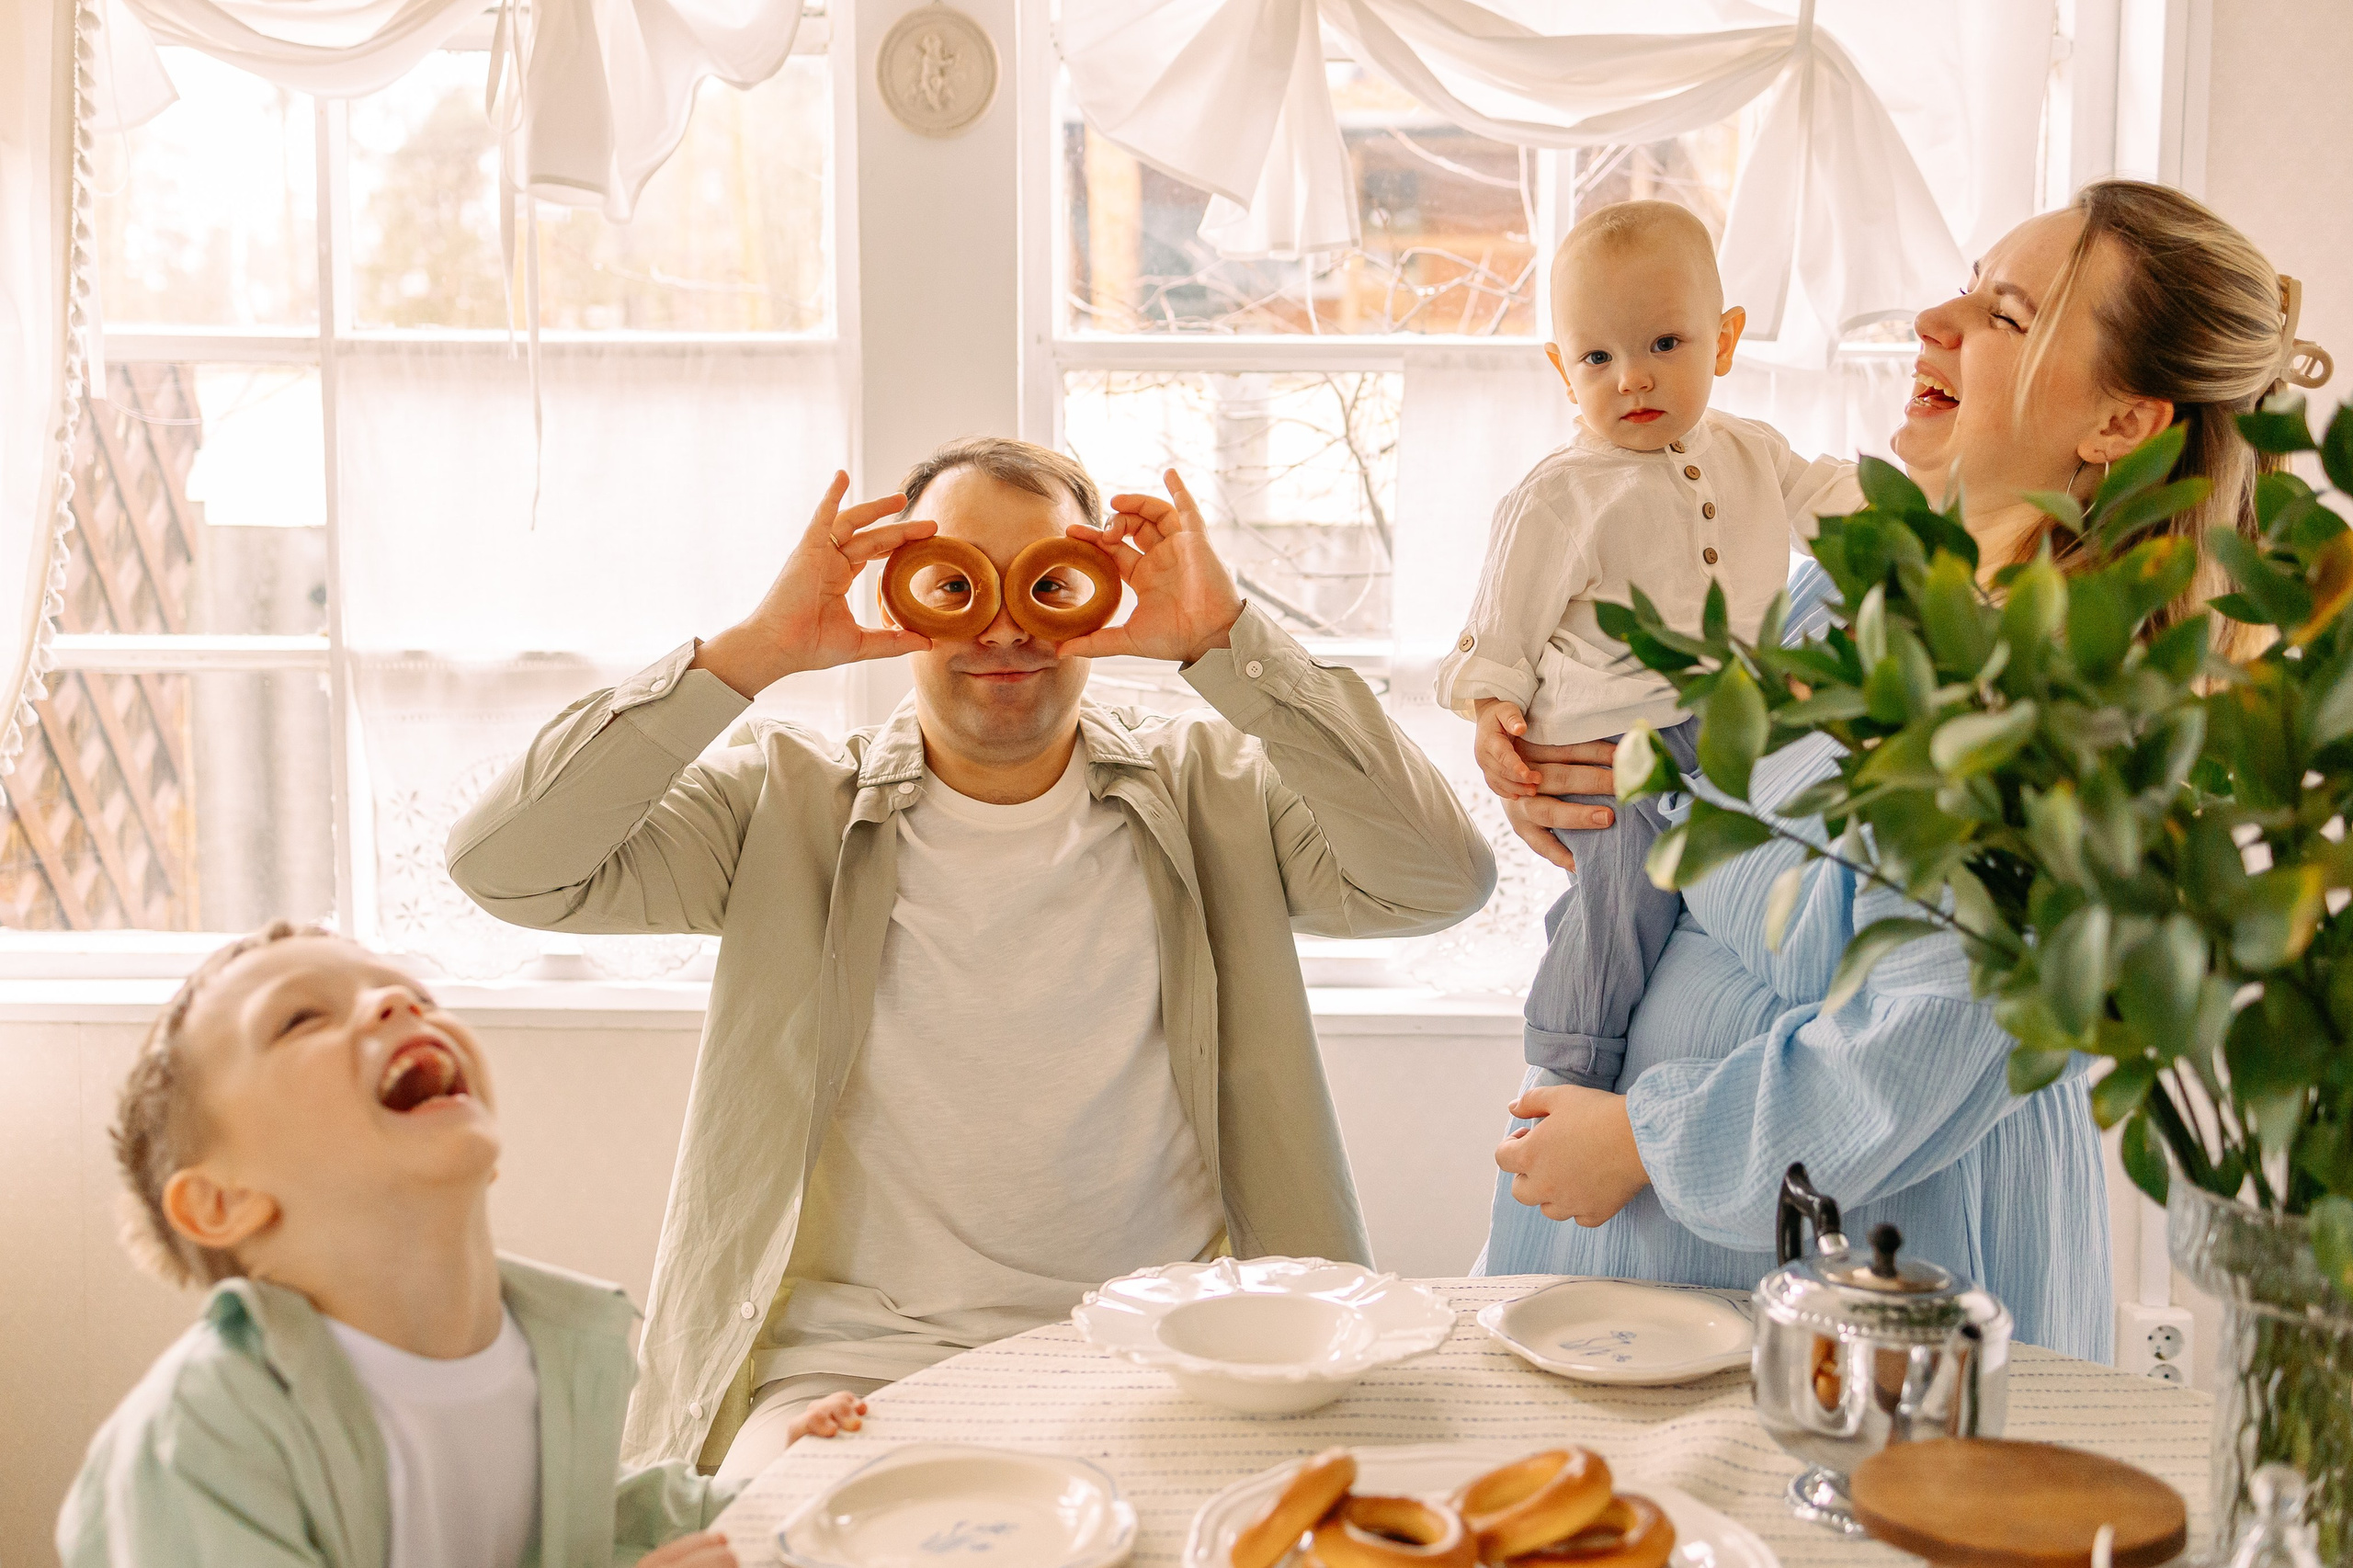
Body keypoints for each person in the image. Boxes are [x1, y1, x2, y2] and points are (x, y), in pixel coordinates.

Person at [445, 437, 1494, 1479]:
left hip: (1170, 1351)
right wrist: (752, 652)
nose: (1003, 624)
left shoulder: (1211, 791)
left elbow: (1436, 878)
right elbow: (509, 865)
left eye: (1048, 584)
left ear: (1098, 592)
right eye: (953, 582)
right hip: (848, 1373)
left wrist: (1229, 642)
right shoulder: (783, 804)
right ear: (900, 599)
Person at [1479, 180, 2326, 1362]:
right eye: (1968, 285)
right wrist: (1580, 771)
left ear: (2120, 425)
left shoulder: (2066, 720)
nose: (1934, 318)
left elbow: (1912, 1044)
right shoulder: (1859, 582)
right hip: (1681, 1238)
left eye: (2005, 313)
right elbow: (1720, 812)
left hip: (1867, 1269)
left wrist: (1647, 1143)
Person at [58, 922, 862, 1568]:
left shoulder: (548, 1355)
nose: (395, 1007)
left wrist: (768, 1490)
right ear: (222, 1200)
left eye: (411, 993)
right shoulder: (198, 1443)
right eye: (302, 1017)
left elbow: (595, 1523)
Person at [1435, 199, 1857, 1093]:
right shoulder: (1558, 495)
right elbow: (1500, 626)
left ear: (1725, 341)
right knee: (1620, 889)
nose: (1630, 377)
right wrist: (1492, 717)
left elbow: (1833, 496)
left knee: (1783, 843)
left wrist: (1926, 520)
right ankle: (1571, 1054)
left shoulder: (1752, 450)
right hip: (1613, 742)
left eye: (1664, 344)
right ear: (1562, 368)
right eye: (1597, 356)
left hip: (1739, 721)